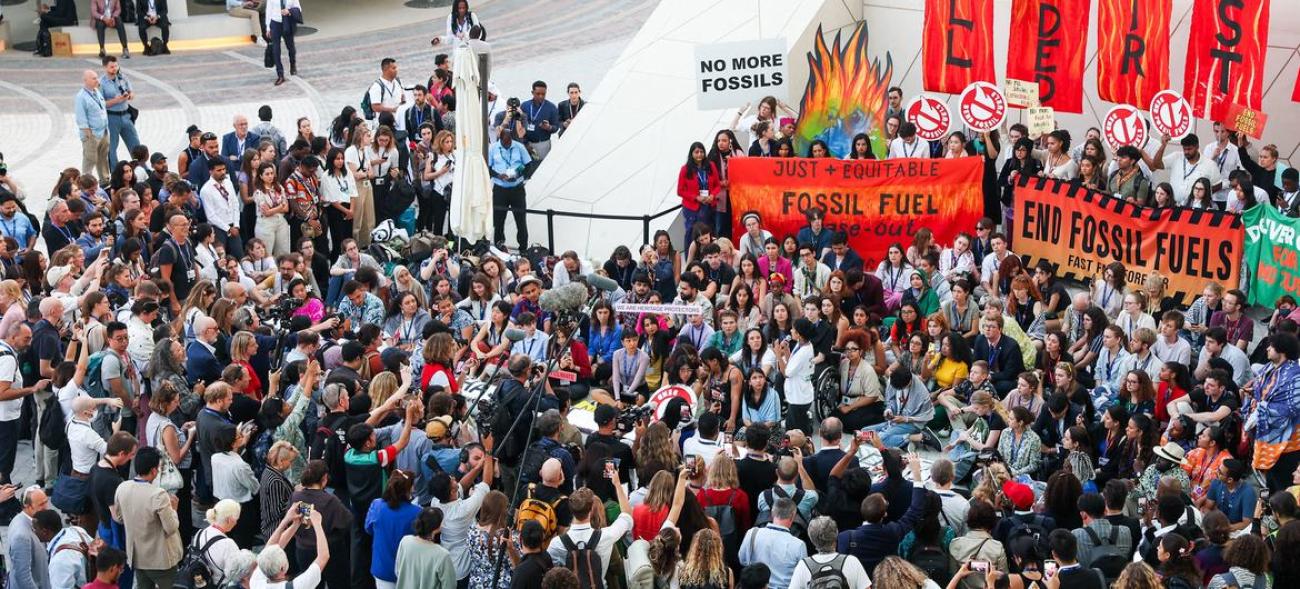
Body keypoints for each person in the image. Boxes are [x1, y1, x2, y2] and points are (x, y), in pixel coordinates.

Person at [115, 446, 182, 589]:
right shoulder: (158, 494)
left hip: (138, 556)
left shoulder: (122, 488)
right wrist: (174, 510)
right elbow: (170, 528)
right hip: (161, 559)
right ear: (154, 470)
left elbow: (119, 518)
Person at [545, 480, 633, 579]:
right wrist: (617, 484)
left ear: (571, 509)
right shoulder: (607, 536)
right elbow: (627, 516)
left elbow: (549, 571)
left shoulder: (556, 544)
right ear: (591, 510)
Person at [254, 502, 330, 589]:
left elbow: (269, 549)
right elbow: (323, 557)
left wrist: (293, 524)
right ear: (282, 568)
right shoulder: (299, 585)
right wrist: (317, 524)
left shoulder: (256, 582)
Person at [489, 126, 532, 249]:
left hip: (516, 188)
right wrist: (498, 175)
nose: (507, 145)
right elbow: (488, 167)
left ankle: (523, 247)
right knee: (498, 221)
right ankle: (499, 245)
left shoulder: (519, 147)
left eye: (509, 142)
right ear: (500, 139)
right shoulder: (493, 148)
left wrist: (518, 174)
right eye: (504, 143)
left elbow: (528, 165)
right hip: (500, 189)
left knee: (521, 221)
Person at [77, 70, 112, 181]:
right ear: (85, 80)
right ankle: (86, 182)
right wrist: (89, 136)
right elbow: (81, 119)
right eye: (94, 78)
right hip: (92, 134)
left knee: (103, 158)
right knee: (90, 159)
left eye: (97, 77)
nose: (97, 80)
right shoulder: (81, 97)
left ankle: (105, 180)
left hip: (103, 132)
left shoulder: (96, 91)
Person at [265, 0, 301, 86]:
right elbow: (269, 10)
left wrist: (289, 11)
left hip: (287, 22)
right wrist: (268, 27)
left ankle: (293, 64)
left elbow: (298, 8)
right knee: (276, 49)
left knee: (290, 47)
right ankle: (280, 74)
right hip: (275, 22)